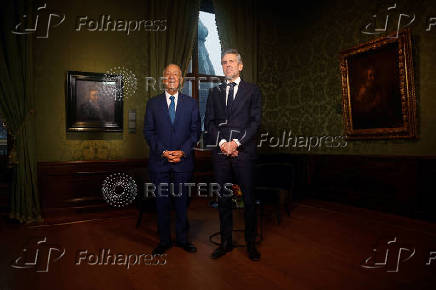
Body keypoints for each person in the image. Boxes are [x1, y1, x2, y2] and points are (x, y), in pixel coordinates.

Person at [205, 49, 262, 261]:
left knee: (248, 200)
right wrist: (222, 144)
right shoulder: (214, 92)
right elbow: (208, 122)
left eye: (231, 62)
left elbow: (255, 122)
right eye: (223, 62)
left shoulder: (253, 91)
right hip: (221, 155)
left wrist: (236, 143)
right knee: (224, 200)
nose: (227, 65)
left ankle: (250, 244)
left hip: (244, 153)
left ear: (240, 65)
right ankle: (226, 242)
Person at [143, 64, 201, 255]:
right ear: (163, 79)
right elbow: (149, 133)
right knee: (162, 202)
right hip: (159, 162)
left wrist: (182, 152)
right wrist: (164, 152)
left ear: (181, 80)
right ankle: (164, 241)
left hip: (183, 163)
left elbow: (195, 132)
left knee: (182, 202)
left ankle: (183, 240)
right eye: (168, 74)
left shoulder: (191, 104)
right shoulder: (152, 104)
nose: (171, 77)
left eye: (175, 74)